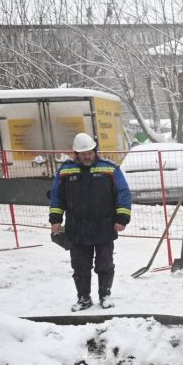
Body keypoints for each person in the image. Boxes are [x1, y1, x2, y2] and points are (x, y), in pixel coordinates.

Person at [49, 132, 132, 311]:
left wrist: (122, 218)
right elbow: (57, 196)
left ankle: (105, 296)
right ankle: (83, 298)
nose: (87, 156)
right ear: (76, 153)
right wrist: (55, 218)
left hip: (104, 226)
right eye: (83, 153)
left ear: (95, 150)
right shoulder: (65, 170)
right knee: (80, 267)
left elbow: (123, 193)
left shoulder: (109, 168)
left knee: (105, 264)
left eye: (89, 152)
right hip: (76, 229)